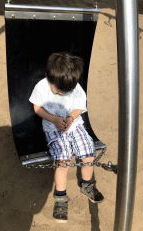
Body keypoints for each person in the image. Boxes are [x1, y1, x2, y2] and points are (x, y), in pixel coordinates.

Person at [29, 52, 104, 222]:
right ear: (49, 77)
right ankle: (61, 197)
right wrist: (54, 119)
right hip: (53, 127)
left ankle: (86, 184)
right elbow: (37, 108)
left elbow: (79, 107)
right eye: (58, 90)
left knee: (88, 154)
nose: (62, 93)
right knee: (63, 161)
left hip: (74, 125)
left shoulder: (75, 87)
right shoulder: (42, 86)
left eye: (66, 91)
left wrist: (70, 118)